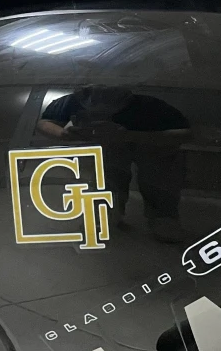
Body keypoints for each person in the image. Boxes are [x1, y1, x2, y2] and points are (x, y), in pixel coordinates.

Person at [36, 86, 189, 243]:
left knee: (156, 176)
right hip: (109, 152)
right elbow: (45, 122)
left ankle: (162, 216)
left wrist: (130, 136)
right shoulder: (73, 100)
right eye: (93, 92)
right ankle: (105, 214)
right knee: (107, 175)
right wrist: (64, 133)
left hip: (151, 151)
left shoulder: (149, 104)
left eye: (108, 93)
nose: (99, 96)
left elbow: (186, 133)